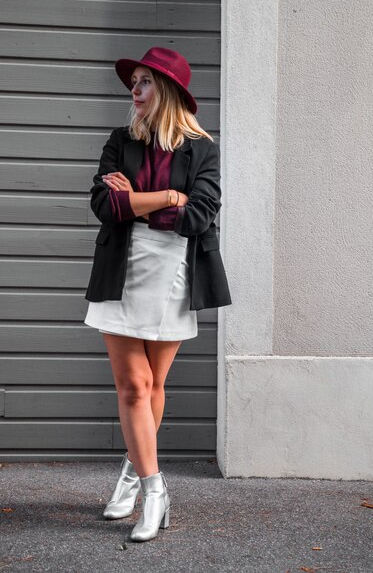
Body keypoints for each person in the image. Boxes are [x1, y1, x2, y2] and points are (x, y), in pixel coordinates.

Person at [83, 47, 232, 542]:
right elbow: (105, 204)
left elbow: (200, 216)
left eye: (145, 82)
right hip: (119, 270)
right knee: (133, 385)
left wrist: (137, 204)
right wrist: (169, 197)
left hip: (173, 273)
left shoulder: (202, 150)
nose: (135, 89)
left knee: (153, 385)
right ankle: (154, 489)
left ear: (166, 91)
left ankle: (129, 472)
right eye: (135, 81)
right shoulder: (120, 140)